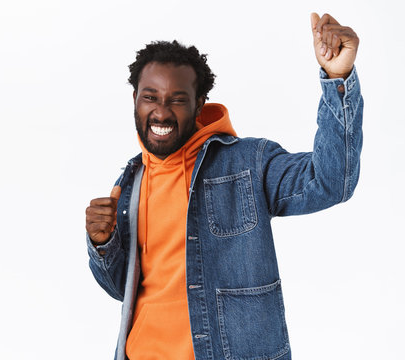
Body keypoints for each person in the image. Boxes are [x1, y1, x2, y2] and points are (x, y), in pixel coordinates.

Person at [85, 13, 362, 360]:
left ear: (199, 104)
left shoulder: (248, 163)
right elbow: (120, 290)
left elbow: (331, 182)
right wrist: (103, 244)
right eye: (150, 97)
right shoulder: (130, 183)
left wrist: (337, 79)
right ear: (136, 100)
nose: (161, 112)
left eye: (177, 99)